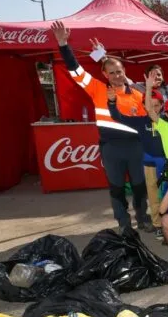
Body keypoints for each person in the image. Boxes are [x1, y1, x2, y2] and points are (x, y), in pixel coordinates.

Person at [51, 20, 150, 232]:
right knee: (116, 189)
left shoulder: (139, 93)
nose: (116, 75)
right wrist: (63, 45)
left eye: (119, 71)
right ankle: (124, 224)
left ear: (124, 71)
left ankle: (143, 218)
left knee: (139, 187)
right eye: (111, 72)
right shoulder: (97, 89)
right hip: (111, 148)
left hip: (135, 147)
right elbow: (75, 70)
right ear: (105, 75)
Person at [104, 85, 166, 239]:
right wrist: (112, 102)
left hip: (167, 164)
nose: (154, 108)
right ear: (144, 106)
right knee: (153, 195)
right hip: (149, 164)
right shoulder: (140, 121)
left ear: (162, 106)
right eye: (150, 105)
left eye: (157, 105)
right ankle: (158, 224)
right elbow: (118, 117)